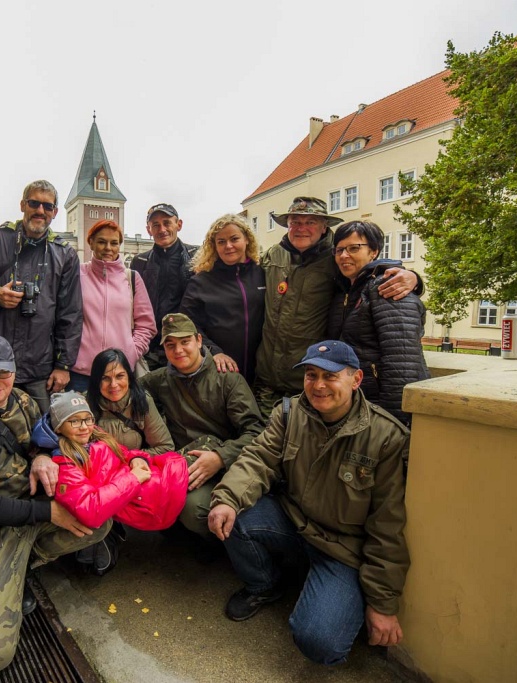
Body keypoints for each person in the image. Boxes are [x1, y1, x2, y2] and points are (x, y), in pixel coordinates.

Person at [208, 340, 410, 666]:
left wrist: (382, 604)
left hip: (342, 551)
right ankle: (266, 584)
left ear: (356, 379)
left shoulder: (385, 436)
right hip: (295, 521)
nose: (318, 385)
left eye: (330, 376)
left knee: (320, 643)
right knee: (234, 515)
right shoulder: (289, 414)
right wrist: (227, 500)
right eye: (311, 375)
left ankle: (327, 591)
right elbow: (258, 459)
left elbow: (387, 525)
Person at [0, 335, 109, 675]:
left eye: (3, 372)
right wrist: (48, 512)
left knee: (98, 519)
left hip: (28, 516)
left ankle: (19, 569)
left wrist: (42, 456)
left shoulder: (23, 401)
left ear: (14, 371)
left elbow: (43, 440)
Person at [253, 196, 420, 416]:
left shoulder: (336, 257)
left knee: (303, 443)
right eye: (295, 221)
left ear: (324, 227)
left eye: (311, 222)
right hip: (267, 378)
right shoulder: (272, 255)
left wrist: (413, 277)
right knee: (267, 439)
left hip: (311, 380)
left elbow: (371, 272)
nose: (301, 228)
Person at [140, 314, 264, 539]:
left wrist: (220, 457)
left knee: (193, 509)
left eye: (184, 341)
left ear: (199, 341)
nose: (178, 350)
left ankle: (216, 541)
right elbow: (123, 391)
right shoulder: (159, 380)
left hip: (221, 466)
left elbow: (255, 432)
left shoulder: (227, 379)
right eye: (170, 345)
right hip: (179, 464)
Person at [0, 180, 82, 413]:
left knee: (40, 435)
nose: (40, 211)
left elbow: (70, 314)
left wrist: (63, 365)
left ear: (55, 212)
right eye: (34, 203)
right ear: (23, 205)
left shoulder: (65, 254)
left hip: (39, 368)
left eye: (47, 206)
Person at [30, 392, 188, 531]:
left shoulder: (95, 435)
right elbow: (90, 509)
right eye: (74, 421)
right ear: (58, 428)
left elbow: (123, 452)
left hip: (140, 484)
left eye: (88, 419)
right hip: (137, 499)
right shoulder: (65, 462)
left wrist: (136, 458)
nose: (84, 427)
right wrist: (133, 479)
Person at [327, 221, 430, 425]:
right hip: (356, 400)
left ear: (374, 251)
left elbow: (403, 362)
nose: (344, 255)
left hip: (380, 407)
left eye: (354, 248)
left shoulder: (388, 286)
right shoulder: (346, 289)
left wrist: (392, 423)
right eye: (339, 250)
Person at [69, 219, 156, 391]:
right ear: (91, 243)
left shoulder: (132, 278)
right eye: (101, 242)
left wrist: (130, 353)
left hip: (119, 372)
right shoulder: (77, 273)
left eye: (114, 243)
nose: (108, 248)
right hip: (80, 373)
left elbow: (147, 325)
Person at [181, 214, 266, 385]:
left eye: (234, 239)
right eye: (221, 242)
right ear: (214, 246)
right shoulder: (201, 281)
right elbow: (188, 324)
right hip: (219, 371)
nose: (228, 246)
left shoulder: (263, 273)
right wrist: (214, 351)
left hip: (261, 372)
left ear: (247, 239)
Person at [130, 203, 199, 369]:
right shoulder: (140, 262)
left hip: (186, 345)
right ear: (149, 230)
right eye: (156, 225)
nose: (162, 229)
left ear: (179, 224)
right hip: (151, 347)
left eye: (167, 222)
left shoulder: (197, 256)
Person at [86, 348, 175, 455]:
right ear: (96, 381)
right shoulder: (84, 405)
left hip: (134, 468)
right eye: (105, 378)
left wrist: (136, 458)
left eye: (120, 376)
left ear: (129, 376)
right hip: (98, 468)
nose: (113, 384)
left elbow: (165, 446)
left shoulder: (142, 400)